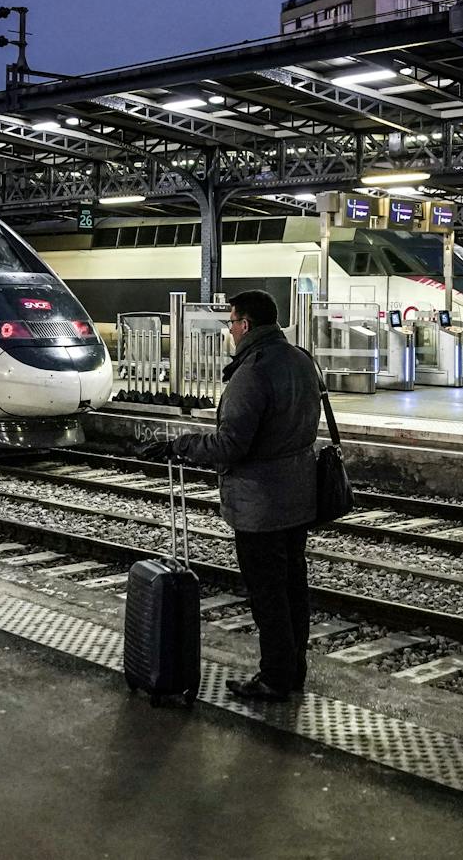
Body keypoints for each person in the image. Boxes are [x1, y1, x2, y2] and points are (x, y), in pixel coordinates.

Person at [139, 289, 319, 701]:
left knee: (268, 594)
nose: (231, 330)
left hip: (261, 504)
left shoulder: (252, 372)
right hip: (299, 496)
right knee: (293, 586)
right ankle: (293, 670)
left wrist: (179, 445)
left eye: (232, 322)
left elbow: (230, 445)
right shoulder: (301, 360)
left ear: (247, 325)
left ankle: (275, 677)